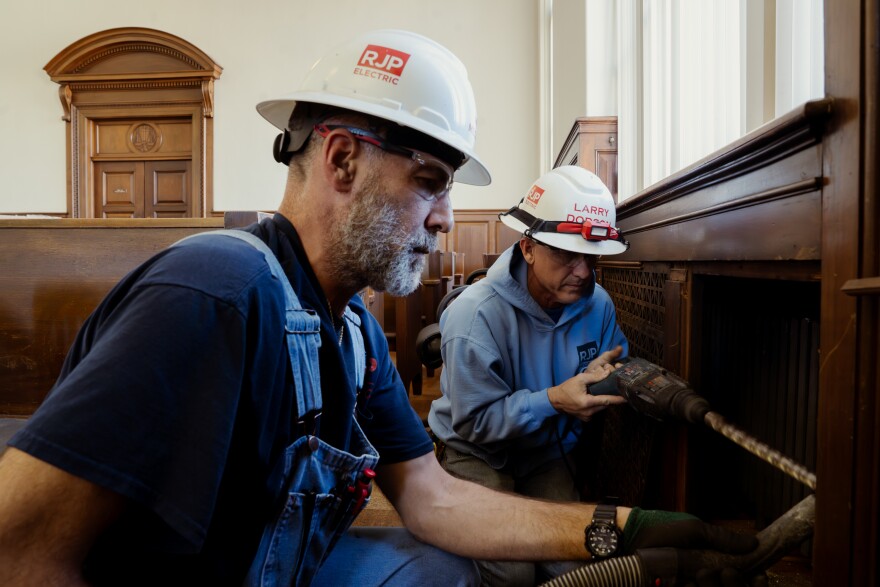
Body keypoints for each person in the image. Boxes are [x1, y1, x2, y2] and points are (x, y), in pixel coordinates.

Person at [0, 30, 756, 587]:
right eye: (430, 180)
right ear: (341, 160)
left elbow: (431, 498)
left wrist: (626, 530)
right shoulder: (215, 295)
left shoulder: (353, 331)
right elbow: (18, 544)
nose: (446, 219)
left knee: (442, 573)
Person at [427, 165, 634, 585]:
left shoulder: (599, 304)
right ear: (528, 248)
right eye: (565, 254)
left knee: (573, 566)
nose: (582, 271)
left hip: (546, 454)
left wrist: (606, 377)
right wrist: (556, 399)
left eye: (590, 256)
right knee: (513, 574)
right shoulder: (474, 315)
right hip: (476, 453)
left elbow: (617, 362)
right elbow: (475, 422)